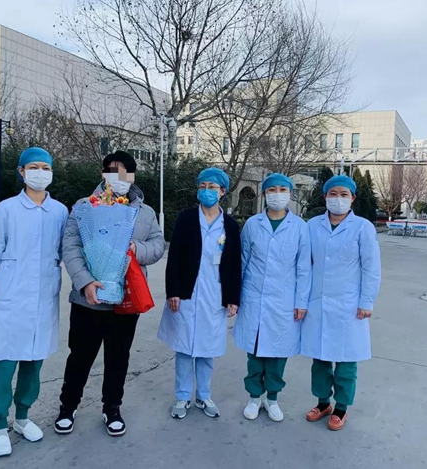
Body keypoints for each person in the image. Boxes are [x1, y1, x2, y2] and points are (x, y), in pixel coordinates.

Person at [55, 150, 165, 437]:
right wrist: (85, 282)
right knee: (80, 356)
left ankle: (112, 407)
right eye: (112, 171)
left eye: (124, 172)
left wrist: (137, 249)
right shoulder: (84, 207)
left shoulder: (145, 212)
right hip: (88, 299)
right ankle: (68, 406)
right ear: (103, 174)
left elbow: (157, 244)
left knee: (118, 357)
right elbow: (71, 247)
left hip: (126, 298)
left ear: (133, 176)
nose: (118, 177)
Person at [0, 147, 69, 457]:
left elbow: (62, 250)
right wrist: (11, 279)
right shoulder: (6, 209)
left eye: (46, 167)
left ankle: (22, 417)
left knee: (34, 360)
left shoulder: (59, 211)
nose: (40, 172)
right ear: (21, 172)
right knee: (4, 361)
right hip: (12, 296)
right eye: (34, 167)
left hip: (44, 296)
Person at [158, 167, 242, 420]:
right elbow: (174, 257)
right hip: (187, 292)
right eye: (203, 186)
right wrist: (173, 291)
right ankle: (183, 396)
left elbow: (234, 264)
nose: (207, 191)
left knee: (207, 349)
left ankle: (204, 395)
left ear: (222, 191)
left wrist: (233, 298)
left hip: (215, 294)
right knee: (184, 349)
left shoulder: (230, 225)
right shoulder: (186, 218)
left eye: (212, 187)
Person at [301, 175, 381, 431]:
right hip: (318, 302)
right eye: (333, 194)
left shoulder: (363, 227)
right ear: (325, 196)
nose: (338, 198)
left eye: (344, 194)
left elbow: (371, 268)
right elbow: (304, 266)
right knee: (320, 359)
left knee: (346, 361)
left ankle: (342, 407)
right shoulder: (312, 226)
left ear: (353, 198)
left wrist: (366, 301)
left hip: (349, 305)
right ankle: (323, 403)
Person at [232, 173, 311, 422]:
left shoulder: (300, 227)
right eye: (272, 190)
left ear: (290, 193)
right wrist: (235, 295)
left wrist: (301, 302)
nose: (277, 194)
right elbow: (242, 260)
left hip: (284, 300)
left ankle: (272, 398)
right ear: (264, 194)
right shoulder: (252, 224)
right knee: (255, 353)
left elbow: (304, 268)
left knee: (277, 354)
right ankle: (254, 397)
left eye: (282, 190)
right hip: (254, 296)